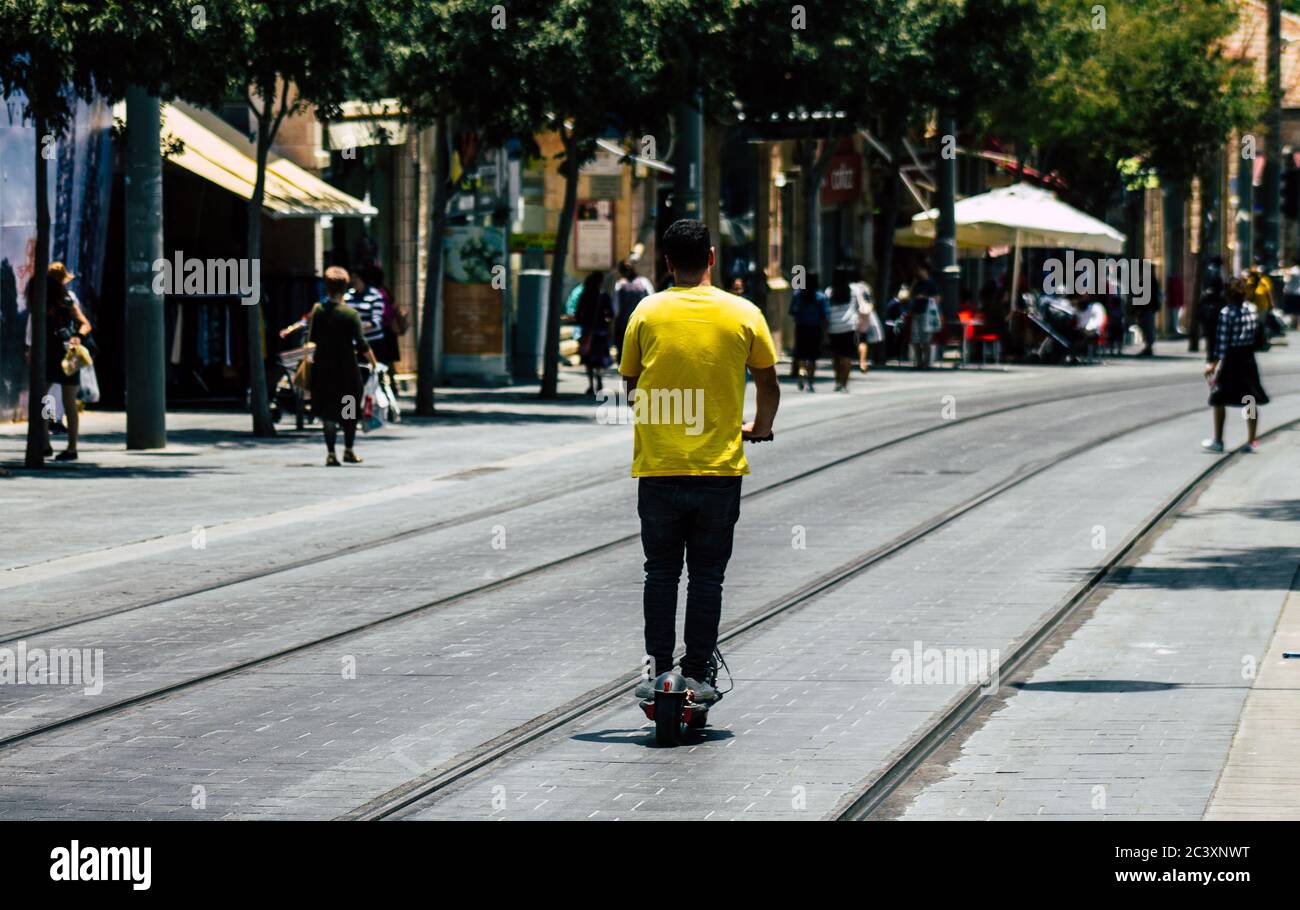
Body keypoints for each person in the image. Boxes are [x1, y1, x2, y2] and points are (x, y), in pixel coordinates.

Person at [621, 219, 780, 702]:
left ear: (665, 262)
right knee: (707, 575)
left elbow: (631, 388)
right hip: (718, 471)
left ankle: (657, 671)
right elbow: (769, 384)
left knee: (661, 573)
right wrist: (760, 427)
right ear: (712, 257)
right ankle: (698, 673)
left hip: (659, 468)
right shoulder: (744, 313)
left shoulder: (645, 313)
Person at [310, 266, 378, 466]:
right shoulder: (350, 314)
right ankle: (348, 450)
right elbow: (362, 343)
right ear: (344, 286)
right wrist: (374, 364)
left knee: (328, 412)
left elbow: (312, 338)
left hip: (323, 369)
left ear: (327, 286)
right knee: (349, 411)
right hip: (347, 372)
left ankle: (331, 453)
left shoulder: (318, 311)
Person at [28, 269, 92, 461]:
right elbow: (85, 324)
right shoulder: (66, 301)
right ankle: (69, 447)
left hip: (51, 353)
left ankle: (48, 443)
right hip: (67, 354)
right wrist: (78, 337)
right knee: (67, 401)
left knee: (43, 398)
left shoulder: (43, 303)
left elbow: (33, 331)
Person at [1203, 277, 1269, 453]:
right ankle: (1252, 440)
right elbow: (1258, 335)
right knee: (1250, 400)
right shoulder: (1252, 310)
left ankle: (1218, 440)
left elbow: (1222, 344)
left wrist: (1213, 364)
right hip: (1248, 359)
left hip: (1232, 361)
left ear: (1228, 295)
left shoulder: (1227, 313)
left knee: (1219, 398)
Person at [788, 272, 829, 390]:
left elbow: (791, 311)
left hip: (801, 328)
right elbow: (825, 315)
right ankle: (810, 381)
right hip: (815, 329)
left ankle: (801, 372)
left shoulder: (798, 294)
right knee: (812, 356)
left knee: (801, 354)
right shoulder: (820, 297)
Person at [575, 271, 613, 394]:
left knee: (588, 359)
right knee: (599, 359)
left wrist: (584, 322)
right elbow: (611, 313)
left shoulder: (584, 295)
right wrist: (606, 321)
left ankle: (591, 385)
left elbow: (577, 313)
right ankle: (599, 380)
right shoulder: (604, 296)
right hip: (600, 332)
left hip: (587, 331)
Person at [613, 260, 653, 365]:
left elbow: (616, 308)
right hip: (643, 322)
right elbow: (652, 300)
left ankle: (626, 378)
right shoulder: (644, 282)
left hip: (624, 324)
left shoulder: (620, 285)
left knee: (624, 353)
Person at [826, 266, 859, 391]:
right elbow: (856, 307)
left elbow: (827, 309)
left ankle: (837, 381)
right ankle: (844, 384)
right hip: (848, 326)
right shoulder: (853, 291)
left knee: (836, 356)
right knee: (847, 356)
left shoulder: (829, 291)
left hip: (833, 327)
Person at [909, 264, 941, 369]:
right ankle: (919, 362)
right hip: (916, 312)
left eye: (920, 270)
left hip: (925, 313)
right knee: (915, 339)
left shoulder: (931, 284)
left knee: (926, 339)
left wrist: (925, 297)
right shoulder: (917, 283)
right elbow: (910, 295)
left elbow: (937, 298)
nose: (918, 273)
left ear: (925, 271)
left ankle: (926, 363)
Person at [852, 275, 879, 372]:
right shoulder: (865, 287)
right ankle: (862, 362)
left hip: (847, 317)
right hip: (862, 316)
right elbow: (871, 301)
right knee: (862, 340)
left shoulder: (848, 287)